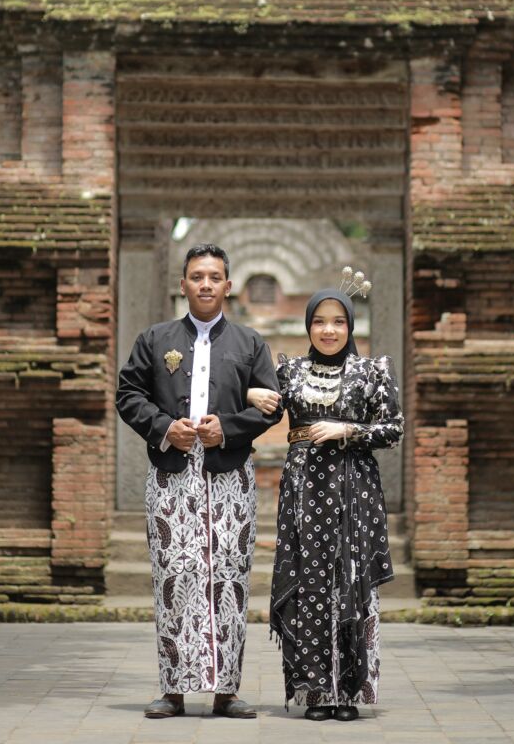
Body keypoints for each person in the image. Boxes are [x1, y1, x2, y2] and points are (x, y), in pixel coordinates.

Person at [116, 243, 281, 720]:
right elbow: (128, 394)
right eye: (196, 276)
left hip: (229, 477)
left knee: (228, 576)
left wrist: (226, 428)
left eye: (213, 277)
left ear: (228, 285)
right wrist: (165, 427)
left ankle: (226, 691)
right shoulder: (155, 339)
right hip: (171, 476)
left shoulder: (249, 344)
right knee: (174, 574)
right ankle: (173, 690)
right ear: (183, 284)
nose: (205, 284)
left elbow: (272, 406)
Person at [248, 284, 404, 721]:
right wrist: (246, 394)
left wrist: (347, 430)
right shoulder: (290, 371)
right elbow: (262, 412)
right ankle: (316, 692)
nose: (328, 330)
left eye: (338, 321)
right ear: (308, 326)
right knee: (309, 583)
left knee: (349, 581)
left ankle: (348, 692)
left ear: (350, 325)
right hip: (304, 489)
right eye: (319, 321)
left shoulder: (371, 371)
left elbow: (393, 429)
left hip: (354, 487)